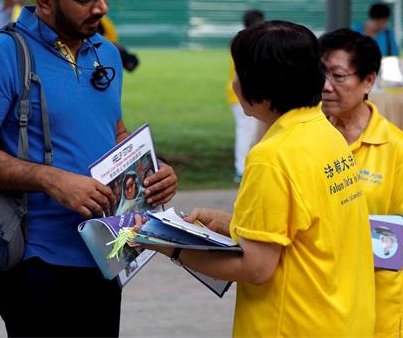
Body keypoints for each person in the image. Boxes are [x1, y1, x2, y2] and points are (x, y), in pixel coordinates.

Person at [0, 0, 178, 338]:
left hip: (107, 254)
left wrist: (151, 170)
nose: (102, 7)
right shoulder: (2, 53)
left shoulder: (104, 51)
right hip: (37, 264)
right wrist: (52, 179)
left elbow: (113, 128)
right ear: (44, 0)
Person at [139, 21, 376, 337]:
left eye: (239, 74)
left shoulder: (272, 156)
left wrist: (170, 247)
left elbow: (256, 267)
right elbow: (306, 226)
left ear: (261, 89)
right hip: (342, 318)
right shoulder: (325, 132)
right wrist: (231, 223)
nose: (235, 83)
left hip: (293, 325)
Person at [319, 28, 403, 338]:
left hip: (377, 303)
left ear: (369, 81)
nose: (325, 86)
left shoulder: (394, 146)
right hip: (320, 298)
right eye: (320, 74)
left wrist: (334, 234)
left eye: (337, 76)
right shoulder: (312, 138)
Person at [226, 9, 264, 183]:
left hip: (243, 94)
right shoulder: (251, 42)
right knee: (246, 132)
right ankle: (241, 169)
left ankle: (244, 168)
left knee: (249, 131)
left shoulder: (242, 39)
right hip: (245, 94)